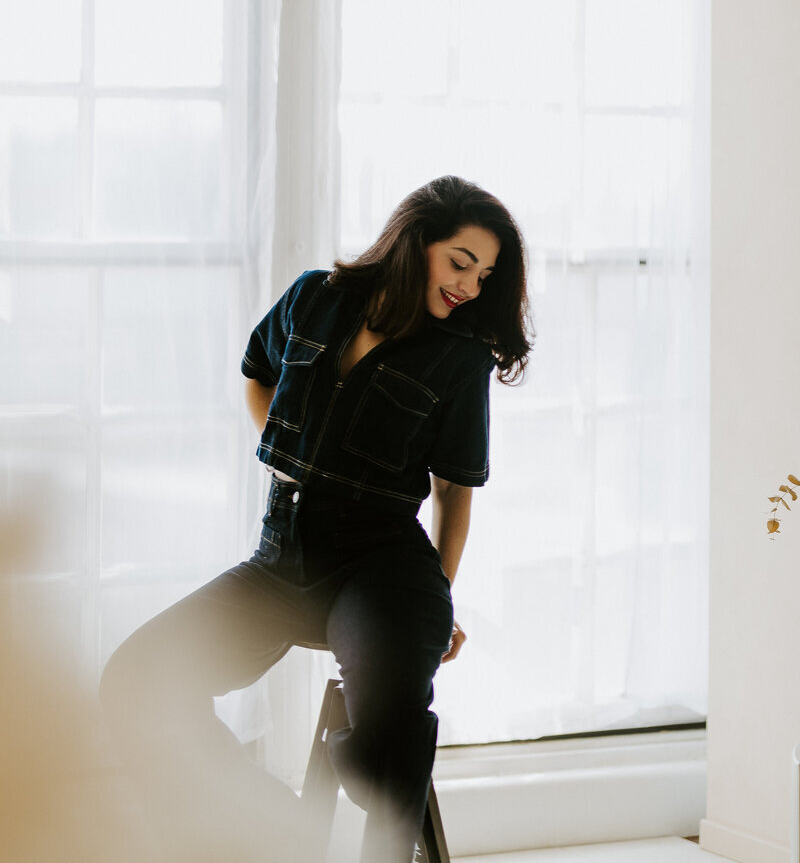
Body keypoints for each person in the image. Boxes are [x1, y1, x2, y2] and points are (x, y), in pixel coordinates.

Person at [100, 175, 532, 863]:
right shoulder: (315, 298)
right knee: (137, 679)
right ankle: (274, 831)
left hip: (383, 570)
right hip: (280, 560)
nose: (472, 287)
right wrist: (288, 455)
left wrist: (441, 598)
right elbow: (256, 370)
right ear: (415, 241)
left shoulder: (459, 358)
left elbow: (455, 493)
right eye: (461, 262)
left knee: (385, 746)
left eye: (486, 275)